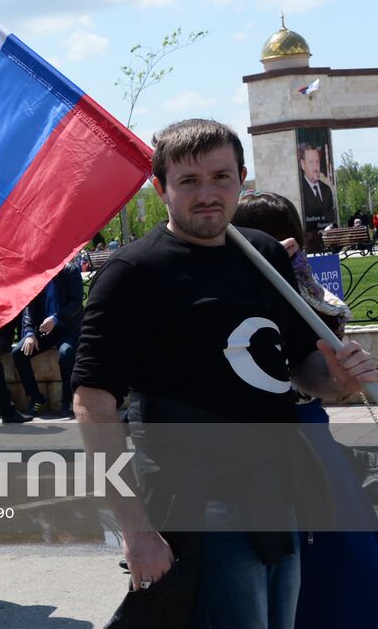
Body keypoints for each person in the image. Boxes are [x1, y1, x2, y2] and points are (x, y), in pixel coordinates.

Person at [72, 119, 377, 628]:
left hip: (279, 490)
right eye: (189, 181)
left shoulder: (261, 253)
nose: (208, 194)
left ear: (242, 178)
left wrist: (338, 381)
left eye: (221, 177)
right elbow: (93, 405)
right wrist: (136, 530)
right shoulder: (132, 274)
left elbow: (300, 370)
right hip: (198, 503)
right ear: (161, 187)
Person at [231, 192, 378, 629]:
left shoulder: (299, 282)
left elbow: (332, 324)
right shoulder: (233, 286)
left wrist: (292, 275)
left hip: (309, 434)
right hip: (252, 442)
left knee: (342, 553)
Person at [12, 258, 83, 417]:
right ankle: (36, 397)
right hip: (45, 330)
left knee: (66, 354)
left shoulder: (70, 271)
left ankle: (68, 398)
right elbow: (28, 307)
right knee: (18, 353)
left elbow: (76, 302)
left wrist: (56, 318)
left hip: (67, 327)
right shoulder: (37, 275)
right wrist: (29, 333)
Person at [298, 144, 336, 234]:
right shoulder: (301, 190)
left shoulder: (326, 189)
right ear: (303, 164)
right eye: (311, 162)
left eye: (317, 162)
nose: (315, 167)